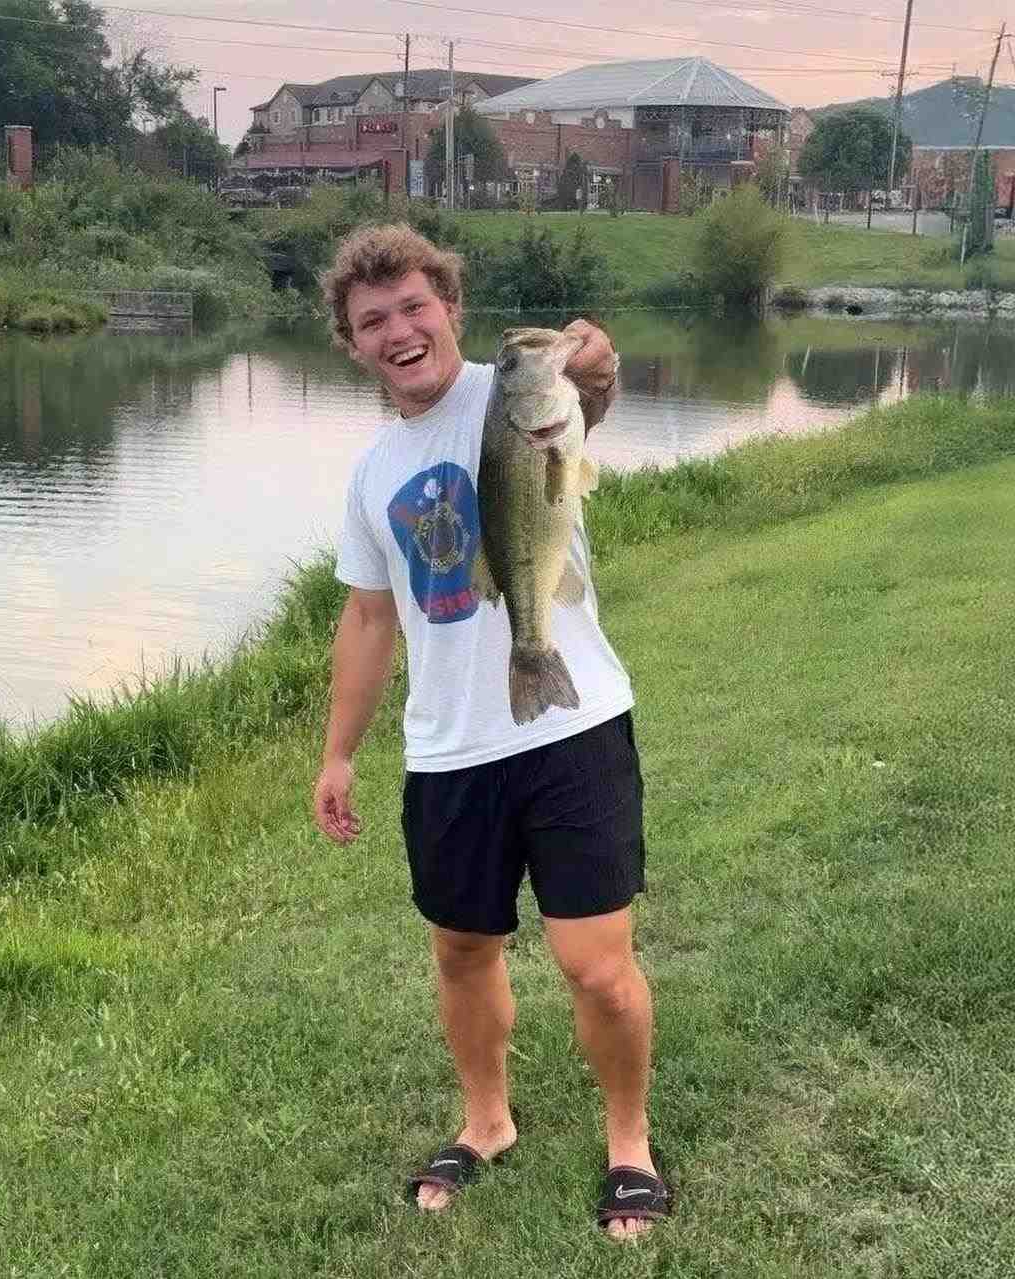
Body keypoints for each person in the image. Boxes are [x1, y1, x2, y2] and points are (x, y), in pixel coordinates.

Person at [311, 224, 668, 1240]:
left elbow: (587, 388)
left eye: (416, 306)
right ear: (354, 343)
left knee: (596, 964)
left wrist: (593, 359)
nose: (400, 329)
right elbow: (370, 616)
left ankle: (630, 1144)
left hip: (573, 725)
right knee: (464, 949)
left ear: (449, 309)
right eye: (373, 320)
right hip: (448, 749)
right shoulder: (371, 470)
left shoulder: (516, 395)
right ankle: (487, 1120)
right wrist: (339, 751)